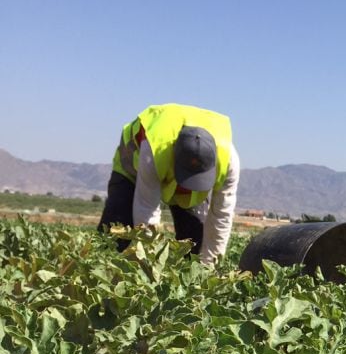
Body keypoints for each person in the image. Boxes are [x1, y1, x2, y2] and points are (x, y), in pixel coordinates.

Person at [97, 103, 240, 265]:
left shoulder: (229, 162)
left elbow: (222, 217)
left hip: (173, 170)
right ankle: (94, 273)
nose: (188, 186)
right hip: (132, 168)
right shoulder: (154, 151)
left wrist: (209, 266)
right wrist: (149, 266)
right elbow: (146, 211)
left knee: (193, 241)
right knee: (115, 230)